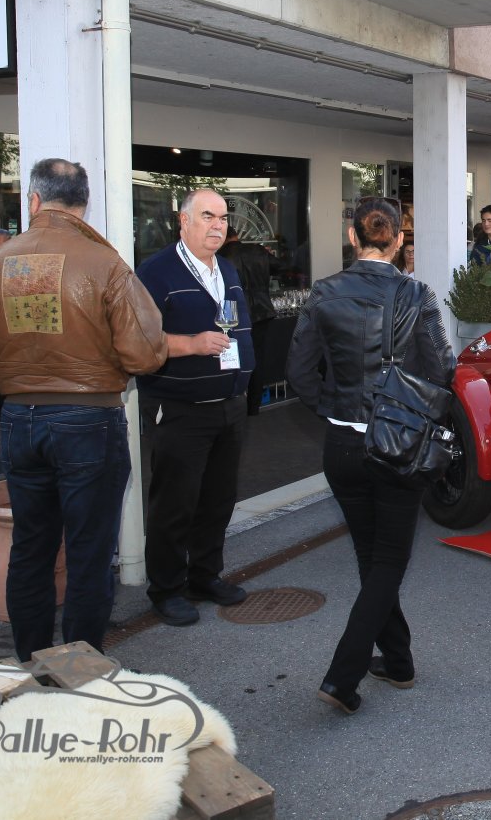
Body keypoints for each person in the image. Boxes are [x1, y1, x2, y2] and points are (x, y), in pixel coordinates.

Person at [0, 158, 168, 661]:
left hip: (19, 420)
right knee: (89, 554)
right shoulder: (105, 263)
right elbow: (144, 354)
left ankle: (31, 660)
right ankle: (77, 669)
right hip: (89, 420)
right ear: (83, 203)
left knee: (31, 547)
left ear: (33, 200)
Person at [286, 197, 455, 713]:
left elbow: (298, 373)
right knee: (387, 562)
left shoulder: (323, 292)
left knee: (372, 558)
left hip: (343, 444)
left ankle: (398, 661)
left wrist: (337, 411)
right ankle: (343, 675)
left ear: (352, 237)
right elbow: (442, 368)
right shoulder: (417, 294)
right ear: (399, 240)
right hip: (397, 443)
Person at [135, 189, 256, 627]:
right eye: (208, 216)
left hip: (229, 405)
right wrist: (191, 344)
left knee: (218, 500)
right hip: (180, 407)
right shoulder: (156, 272)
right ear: (183, 221)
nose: (218, 225)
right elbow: (135, 339)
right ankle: (166, 589)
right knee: (175, 503)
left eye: (223, 218)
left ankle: (204, 576)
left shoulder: (227, 268)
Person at [220, 223, 275, 416]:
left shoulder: (220, 257)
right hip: (261, 311)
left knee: (230, 357)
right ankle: (253, 406)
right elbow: (283, 267)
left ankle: (232, 403)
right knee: (257, 359)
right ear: (236, 235)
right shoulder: (257, 251)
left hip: (231, 311)